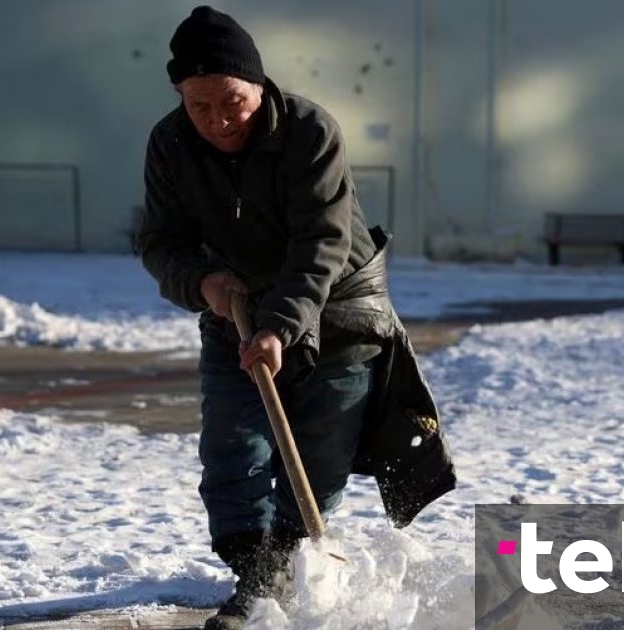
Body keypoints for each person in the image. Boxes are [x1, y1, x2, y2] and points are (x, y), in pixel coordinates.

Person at [136, 6, 456, 629]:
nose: (218, 120)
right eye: (198, 106)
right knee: (231, 454)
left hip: (339, 313)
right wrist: (203, 284)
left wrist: (279, 327)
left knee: (314, 462)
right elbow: (159, 241)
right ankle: (262, 580)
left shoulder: (310, 132)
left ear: (257, 84)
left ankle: (269, 586)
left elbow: (321, 246)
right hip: (233, 307)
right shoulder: (170, 144)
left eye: (231, 101)